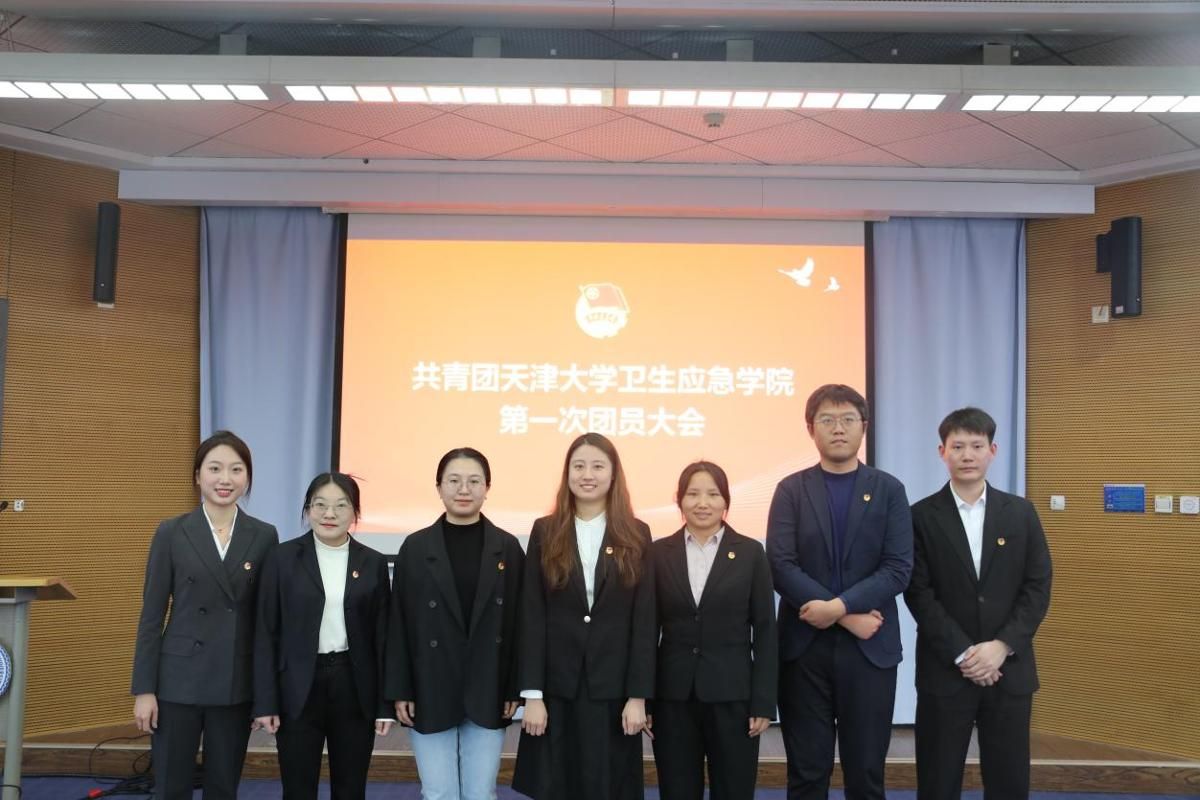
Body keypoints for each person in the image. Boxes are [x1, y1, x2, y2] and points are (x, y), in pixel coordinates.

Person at [765, 384, 913, 800]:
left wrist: (838, 606)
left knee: (865, 773)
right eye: (827, 420)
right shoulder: (791, 490)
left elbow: (898, 568)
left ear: (864, 426)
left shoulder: (889, 490)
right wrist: (845, 615)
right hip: (804, 651)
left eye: (848, 419)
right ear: (810, 428)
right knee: (807, 773)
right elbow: (780, 564)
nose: (838, 428)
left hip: (870, 651)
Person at [905, 407, 1053, 800]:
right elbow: (918, 592)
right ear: (942, 452)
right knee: (937, 782)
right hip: (945, 669)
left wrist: (1001, 646)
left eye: (976, 445)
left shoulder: (1021, 513)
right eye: (957, 446)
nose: (967, 455)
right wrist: (965, 653)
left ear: (993, 450)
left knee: (1008, 782)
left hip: (1009, 670)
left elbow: (1037, 585)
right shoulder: (920, 516)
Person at [131, 430, 279, 800]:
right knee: (171, 787)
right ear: (198, 476)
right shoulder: (172, 532)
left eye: (236, 469)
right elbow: (151, 617)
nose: (225, 479)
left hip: (235, 680)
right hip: (177, 681)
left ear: (248, 478)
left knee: (223, 787)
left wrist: (264, 697)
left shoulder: (263, 535)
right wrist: (144, 690)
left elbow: (265, 626)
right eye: (214, 468)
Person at [512, 432, 656, 800]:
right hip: (556, 689)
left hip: (613, 692)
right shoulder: (545, 530)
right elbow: (532, 615)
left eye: (597, 466)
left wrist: (638, 696)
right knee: (556, 785)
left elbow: (644, 622)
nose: (587, 475)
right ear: (567, 473)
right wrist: (533, 695)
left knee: (607, 786)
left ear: (613, 474)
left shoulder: (637, 534)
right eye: (578, 466)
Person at [385, 447, 526, 800]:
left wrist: (514, 687)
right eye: (454, 481)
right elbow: (398, 624)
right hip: (430, 686)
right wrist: (401, 689)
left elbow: (520, 625)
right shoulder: (415, 548)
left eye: (474, 481)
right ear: (439, 487)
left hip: (489, 686)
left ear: (487, 488)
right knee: (438, 792)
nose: (464, 489)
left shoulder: (508, 548)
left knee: (481, 793)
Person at [252, 472, 393, 799]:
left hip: (353, 686)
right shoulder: (281, 559)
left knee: (351, 788)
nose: (330, 514)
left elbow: (383, 639)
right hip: (298, 687)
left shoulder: (372, 562)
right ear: (307, 509)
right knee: (298, 788)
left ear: (355, 512)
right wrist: (265, 701)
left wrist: (384, 704)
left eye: (341, 505)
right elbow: (265, 633)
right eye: (320, 505)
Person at [650, 461, 777, 800]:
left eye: (712, 494)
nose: (702, 503)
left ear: (726, 501)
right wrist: (644, 697)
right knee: (676, 790)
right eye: (693, 494)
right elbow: (647, 630)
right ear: (679, 500)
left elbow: (766, 631)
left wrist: (764, 702)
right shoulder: (658, 553)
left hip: (734, 697)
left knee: (734, 790)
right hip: (672, 697)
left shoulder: (751, 553)